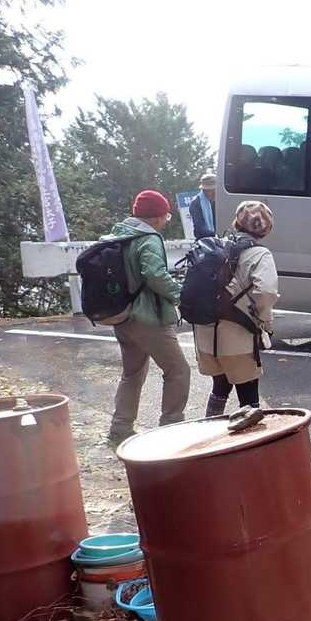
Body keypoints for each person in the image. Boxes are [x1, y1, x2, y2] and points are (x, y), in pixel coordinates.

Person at [107, 190, 190, 447]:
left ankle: (120, 427)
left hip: (121, 315)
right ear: (155, 217)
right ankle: (171, 427)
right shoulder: (148, 238)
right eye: (165, 215)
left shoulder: (119, 234)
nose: (165, 220)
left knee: (132, 373)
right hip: (148, 318)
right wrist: (180, 295)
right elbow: (154, 274)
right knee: (178, 370)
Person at [194, 200, 280, 417]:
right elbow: (266, 293)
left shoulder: (216, 246)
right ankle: (253, 436)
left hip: (206, 334)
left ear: (237, 223)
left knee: (220, 386)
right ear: (267, 228)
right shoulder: (260, 254)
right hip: (237, 337)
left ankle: (210, 427)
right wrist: (264, 322)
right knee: (249, 398)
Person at [189, 172, 218, 239]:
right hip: (204, 240)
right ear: (204, 190)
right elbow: (200, 228)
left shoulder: (219, 201)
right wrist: (217, 235)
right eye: (211, 190)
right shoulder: (195, 203)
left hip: (220, 239)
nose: (214, 193)